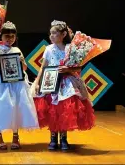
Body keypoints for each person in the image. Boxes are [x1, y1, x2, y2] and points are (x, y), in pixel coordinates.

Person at [31, 20, 95, 151]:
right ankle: (53, 137)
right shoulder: (48, 49)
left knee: (64, 110)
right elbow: (43, 67)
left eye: (55, 33)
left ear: (63, 34)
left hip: (66, 84)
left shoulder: (70, 49)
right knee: (52, 110)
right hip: (51, 83)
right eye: (50, 33)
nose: (52, 36)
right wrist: (37, 82)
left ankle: (64, 138)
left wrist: (68, 70)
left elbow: (77, 68)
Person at [0, 21, 39, 150]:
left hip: (15, 83)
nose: (10, 39)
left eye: (12, 36)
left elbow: (24, 68)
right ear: (1, 36)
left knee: (16, 108)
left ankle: (15, 137)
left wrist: (23, 62)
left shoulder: (16, 50)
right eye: (7, 36)